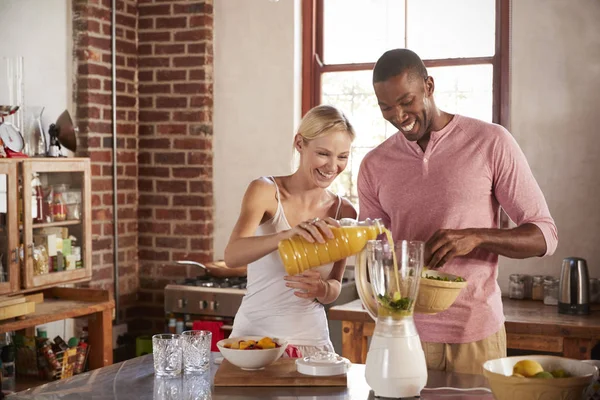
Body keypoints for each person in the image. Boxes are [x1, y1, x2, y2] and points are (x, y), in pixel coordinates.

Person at [357, 49, 558, 374]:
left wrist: (476, 237)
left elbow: (545, 235)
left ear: (429, 86)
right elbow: (372, 252)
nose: (398, 115)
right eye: (386, 107)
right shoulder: (374, 166)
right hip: (403, 335)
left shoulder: (491, 142)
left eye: (406, 101)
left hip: (476, 333)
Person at [224, 104, 358, 357]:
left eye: (342, 156)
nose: (332, 166)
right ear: (299, 144)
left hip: (312, 339)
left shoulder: (345, 211)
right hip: (254, 339)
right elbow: (232, 255)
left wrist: (322, 289)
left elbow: (335, 286)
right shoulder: (265, 191)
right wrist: (286, 235)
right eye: (323, 153)